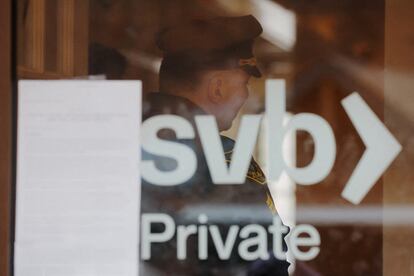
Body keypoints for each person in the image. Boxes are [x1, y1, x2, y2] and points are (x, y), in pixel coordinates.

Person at [141, 15, 290, 275]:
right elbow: (266, 260)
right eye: (244, 83)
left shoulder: (121, 140)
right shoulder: (228, 158)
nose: (246, 95)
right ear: (217, 88)